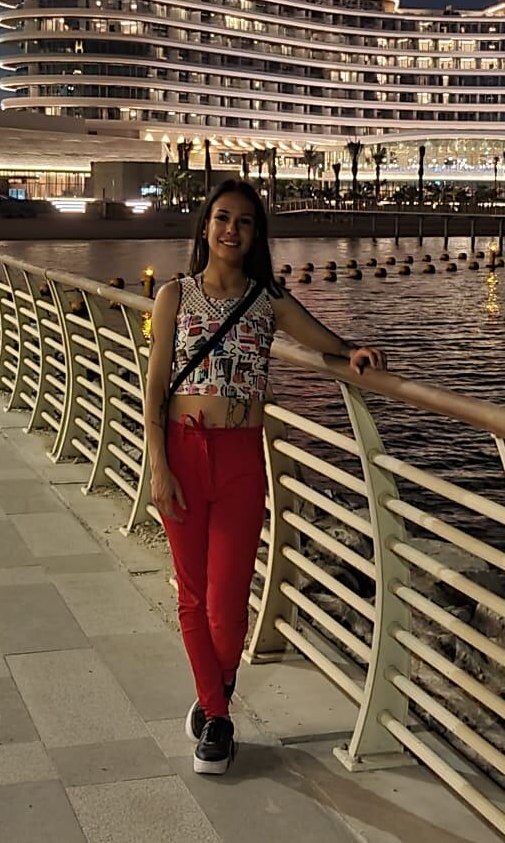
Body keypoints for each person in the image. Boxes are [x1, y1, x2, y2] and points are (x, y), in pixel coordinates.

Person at [143, 179, 386, 776]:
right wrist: (158, 464)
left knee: (227, 601)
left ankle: (211, 695)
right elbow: (153, 388)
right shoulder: (174, 295)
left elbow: (325, 343)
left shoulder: (267, 301)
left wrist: (353, 352)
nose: (231, 230)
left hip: (240, 459)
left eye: (244, 222)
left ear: (256, 235)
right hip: (182, 448)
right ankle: (218, 719)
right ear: (205, 228)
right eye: (222, 219)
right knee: (192, 594)